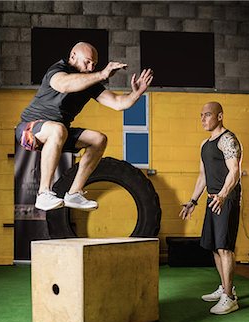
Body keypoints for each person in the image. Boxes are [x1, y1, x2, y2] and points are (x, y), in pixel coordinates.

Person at [15, 42, 153, 211]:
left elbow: (118, 103)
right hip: (30, 128)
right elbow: (63, 85)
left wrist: (136, 94)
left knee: (98, 140)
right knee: (58, 129)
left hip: (59, 133)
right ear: (73, 57)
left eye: (94, 64)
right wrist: (101, 74)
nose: (90, 67)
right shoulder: (58, 69)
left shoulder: (90, 83)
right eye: (87, 62)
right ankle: (43, 193)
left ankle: (74, 194)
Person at [179, 102, 242, 315]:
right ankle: (225, 287)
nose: (203, 119)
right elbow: (203, 176)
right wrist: (193, 201)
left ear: (220, 116)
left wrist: (223, 195)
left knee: (225, 247)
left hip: (227, 198)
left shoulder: (228, 140)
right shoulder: (205, 144)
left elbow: (234, 172)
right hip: (212, 199)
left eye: (208, 115)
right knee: (215, 246)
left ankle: (230, 298)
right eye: (201, 115)